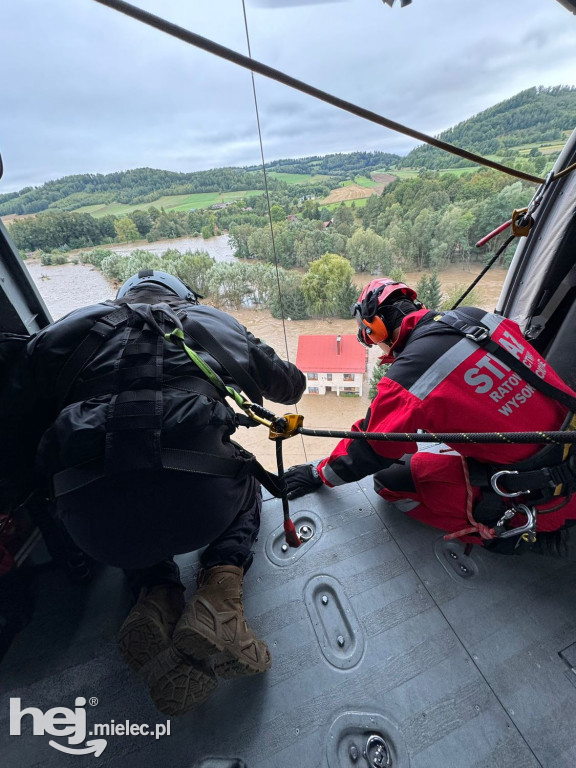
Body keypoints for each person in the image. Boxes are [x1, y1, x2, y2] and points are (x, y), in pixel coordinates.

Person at [0, 269, 305, 716]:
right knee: (243, 476)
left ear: (121, 295)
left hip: (91, 526)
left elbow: (15, 407)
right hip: (203, 507)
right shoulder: (208, 319)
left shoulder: (71, 325)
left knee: (123, 476)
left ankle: (156, 593)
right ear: (182, 294)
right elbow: (290, 387)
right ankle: (220, 590)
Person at [285, 277, 576, 558]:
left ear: (375, 328)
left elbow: (371, 446)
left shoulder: (409, 375)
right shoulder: (477, 317)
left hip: (551, 496)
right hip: (567, 446)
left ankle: (512, 535)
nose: (378, 349)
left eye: (372, 340)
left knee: (390, 481)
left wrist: (317, 473)